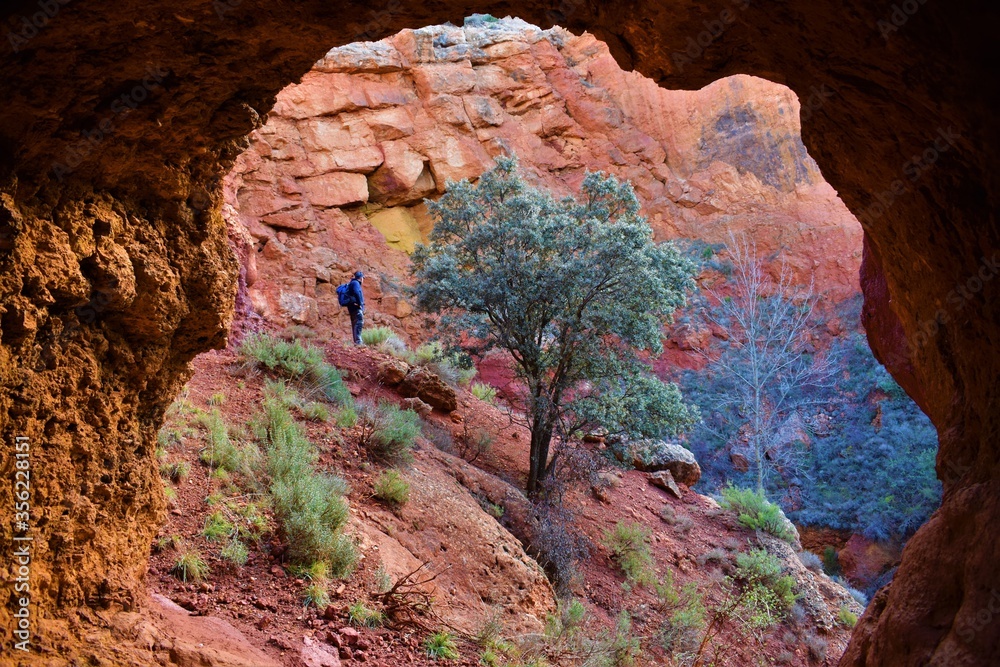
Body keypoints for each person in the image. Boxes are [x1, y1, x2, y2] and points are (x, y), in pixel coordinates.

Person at [347, 271, 365, 345]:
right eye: (363, 278)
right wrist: (360, 303)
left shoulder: (352, 283)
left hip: (352, 307)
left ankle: (356, 341)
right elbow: (357, 292)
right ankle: (358, 342)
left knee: (355, 323)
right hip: (355, 307)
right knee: (358, 322)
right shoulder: (355, 283)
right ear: (360, 278)